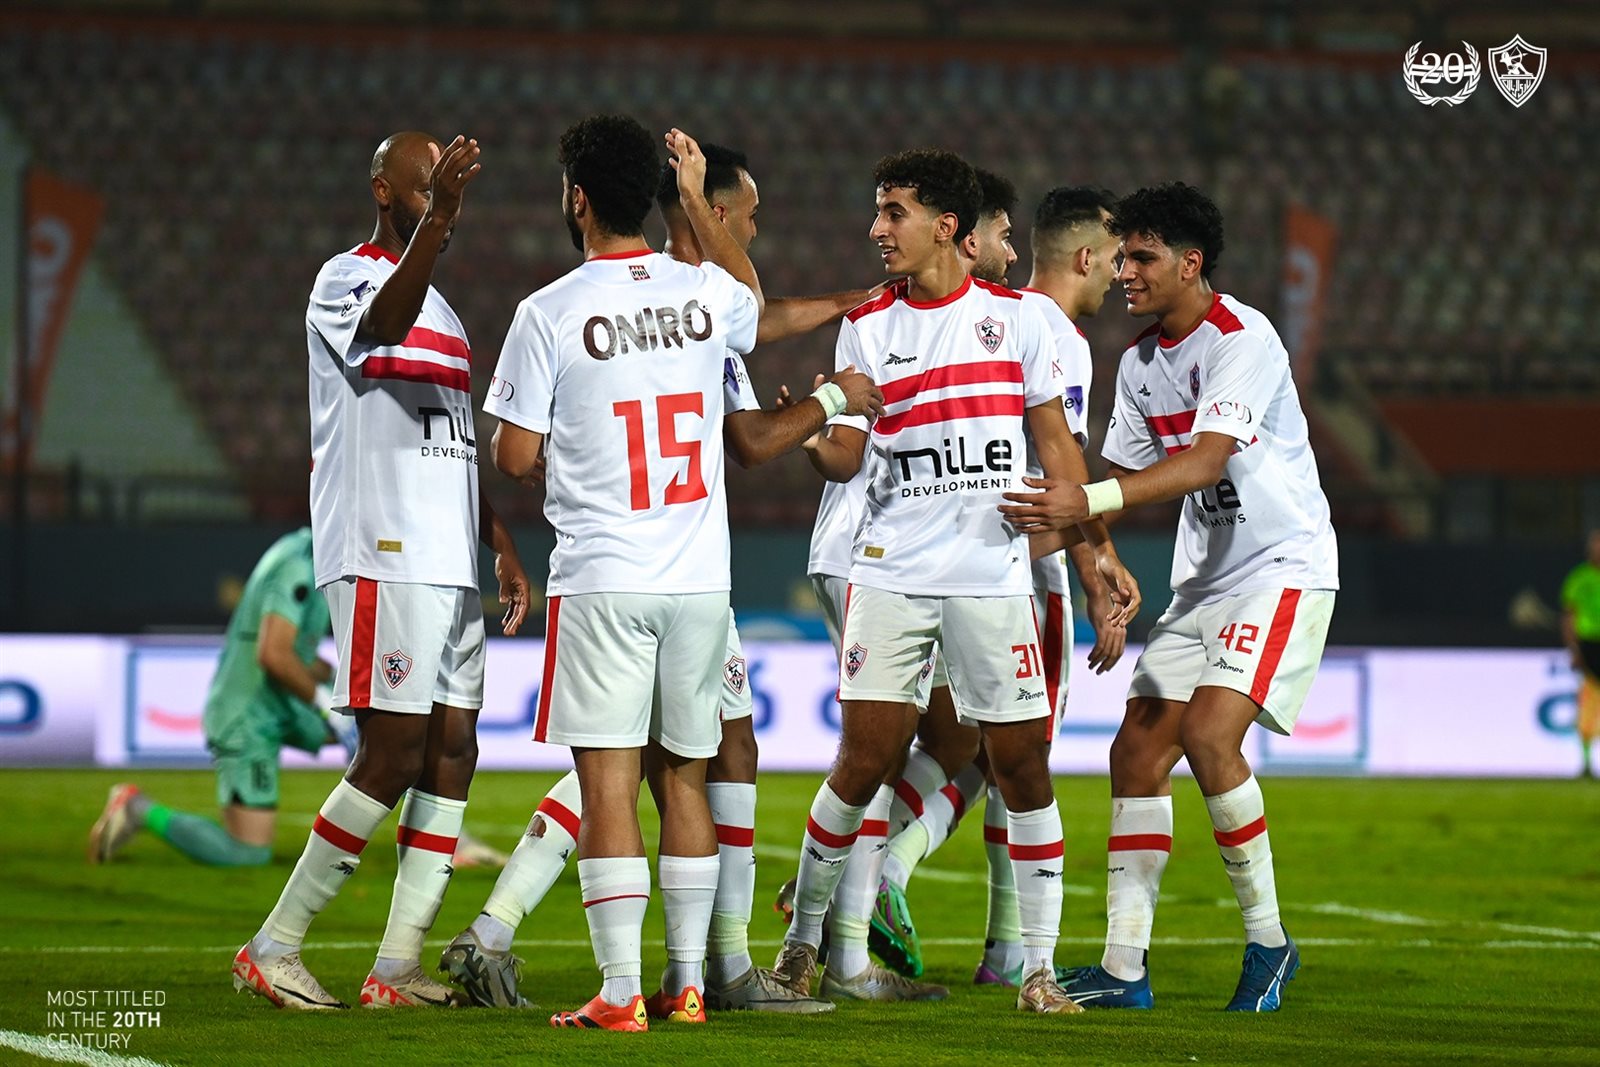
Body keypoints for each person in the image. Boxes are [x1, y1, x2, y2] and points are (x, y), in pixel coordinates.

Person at [439, 140, 877, 1017]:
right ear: (682, 202)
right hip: (698, 577)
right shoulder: (707, 299)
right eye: (742, 213)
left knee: (612, 777)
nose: (749, 227)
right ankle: (693, 981)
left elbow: (515, 455)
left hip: (606, 572)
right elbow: (754, 312)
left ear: (576, 198)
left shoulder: (549, 310)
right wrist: (834, 388)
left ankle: (618, 988)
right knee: (688, 772)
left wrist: (559, 440)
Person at [771, 148, 1138, 1017]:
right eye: (878, 210)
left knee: (1022, 763)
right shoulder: (867, 326)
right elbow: (849, 455)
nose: (876, 228)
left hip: (990, 575)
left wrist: (1095, 556)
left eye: (892, 211)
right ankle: (800, 948)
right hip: (890, 571)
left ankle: (1038, 972)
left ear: (946, 226)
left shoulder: (1022, 321)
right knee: (863, 760)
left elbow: (1057, 449)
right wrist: (814, 434)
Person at [1001, 181, 1338, 1012]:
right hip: (1205, 583)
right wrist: (1079, 550)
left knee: (1210, 734)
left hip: (1279, 567)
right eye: (1123, 257)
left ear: (1191, 263)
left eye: (1143, 257)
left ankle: (1270, 943)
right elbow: (1114, 481)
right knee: (1137, 754)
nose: (1125, 271)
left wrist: (1086, 504)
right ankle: (1124, 968)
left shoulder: (1242, 337)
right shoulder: (1142, 361)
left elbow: (1205, 461)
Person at [231, 131, 530, 1012]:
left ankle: (396, 966)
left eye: (446, 184)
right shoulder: (346, 280)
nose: (440, 196)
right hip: (381, 549)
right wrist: (437, 225)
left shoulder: (450, 316)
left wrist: (499, 542)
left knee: (454, 749)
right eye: (424, 182)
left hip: (449, 560)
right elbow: (384, 329)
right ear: (384, 189)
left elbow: (455, 442)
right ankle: (273, 946)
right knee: (393, 749)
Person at [873, 184, 1131, 988]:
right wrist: (1096, 566)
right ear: (1085, 256)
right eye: (1115, 259)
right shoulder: (1052, 333)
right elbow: (1062, 475)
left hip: (930, 559)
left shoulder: (987, 314)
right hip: (1015, 569)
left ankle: (987, 941)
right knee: (1021, 754)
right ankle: (898, 877)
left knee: (975, 750)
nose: (1120, 274)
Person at [89, 527, 348, 869]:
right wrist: (331, 710)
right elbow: (274, 654)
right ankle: (137, 808)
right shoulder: (299, 565)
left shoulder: (313, 552)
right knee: (248, 852)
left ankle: (416, 840)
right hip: (247, 715)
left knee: (375, 726)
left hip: (280, 704)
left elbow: (296, 653)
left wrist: (336, 680)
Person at [1561, 530, 1600, 778]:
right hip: (1589, 645)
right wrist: (1574, 649)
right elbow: (1569, 617)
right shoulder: (1578, 578)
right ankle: (1586, 762)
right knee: (1588, 701)